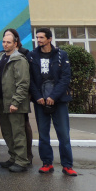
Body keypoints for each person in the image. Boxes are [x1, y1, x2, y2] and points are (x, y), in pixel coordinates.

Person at [30, 28, 77, 176]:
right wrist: (38, 97)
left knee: (64, 135)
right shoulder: (32, 56)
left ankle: (67, 165)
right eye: (37, 37)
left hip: (59, 101)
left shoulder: (61, 55)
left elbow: (65, 78)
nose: (38, 40)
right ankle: (47, 163)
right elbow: (30, 79)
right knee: (43, 135)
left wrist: (53, 97)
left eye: (41, 37)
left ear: (49, 39)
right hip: (40, 101)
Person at [0, 30, 31, 173]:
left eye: (8, 42)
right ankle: (13, 157)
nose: (5, 44)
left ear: (15, 44)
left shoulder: (20, 60)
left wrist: (15, 102)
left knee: (18, 133)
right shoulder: (1, 57)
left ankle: (21, 161)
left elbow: (23, 84)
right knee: (7, 132)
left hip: (14, 103)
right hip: (2, 102)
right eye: (4, 42)